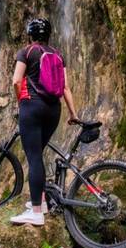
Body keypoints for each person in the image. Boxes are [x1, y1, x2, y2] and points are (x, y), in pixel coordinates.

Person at [9, 17, 80, 226]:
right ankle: (41, 202)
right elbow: (65, 87)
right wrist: (73, 113)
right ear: (49, 35)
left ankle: (37, 213)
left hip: (32, 108)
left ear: (30, 35)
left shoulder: (26, 52)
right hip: (54, 110)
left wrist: (21, 102)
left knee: (33, 158)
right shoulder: (57, 54)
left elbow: (16, 80)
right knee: (37, 154)